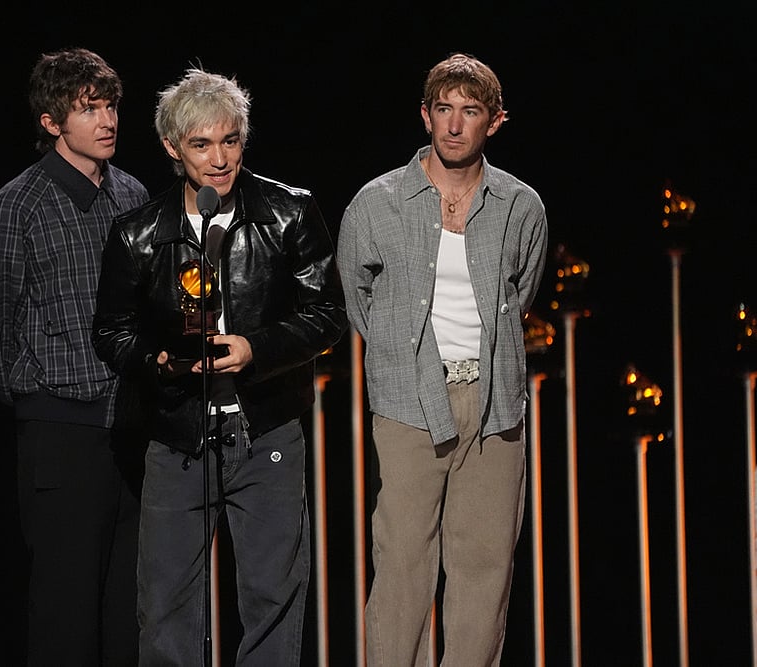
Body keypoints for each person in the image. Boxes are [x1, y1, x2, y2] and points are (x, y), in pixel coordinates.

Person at [92, 67, 347, 666]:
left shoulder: (289, 214)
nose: (219, 159)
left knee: (274, 597)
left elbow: (328, 314)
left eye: (230, 141)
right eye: (202, 145)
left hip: (267, 433)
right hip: (177, 436)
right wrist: (156, 361)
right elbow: (110, 332)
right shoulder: (139, 234)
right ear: (172, 148)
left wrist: (256, 348)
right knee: (166, 608)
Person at [337, 52, 548, 666]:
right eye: (444, 110)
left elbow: (520, 296)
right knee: (401, 566)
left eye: (471, 112)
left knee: (484, 571)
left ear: (495, 122)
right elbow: (358, 298)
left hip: (493, 406)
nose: (455, 126)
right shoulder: (378, 203)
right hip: (408, 403)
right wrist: (402, 360)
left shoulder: (520, 206)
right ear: (424, 115)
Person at [0, 47, 149, 667]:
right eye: (88, 109)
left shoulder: (132, 193)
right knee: (66, 614)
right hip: (61, 431)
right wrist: (30, 383)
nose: (107, 119)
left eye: (111, 104)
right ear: (50, 121)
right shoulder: (19, 204)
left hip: (132, 428)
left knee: (130, 609)